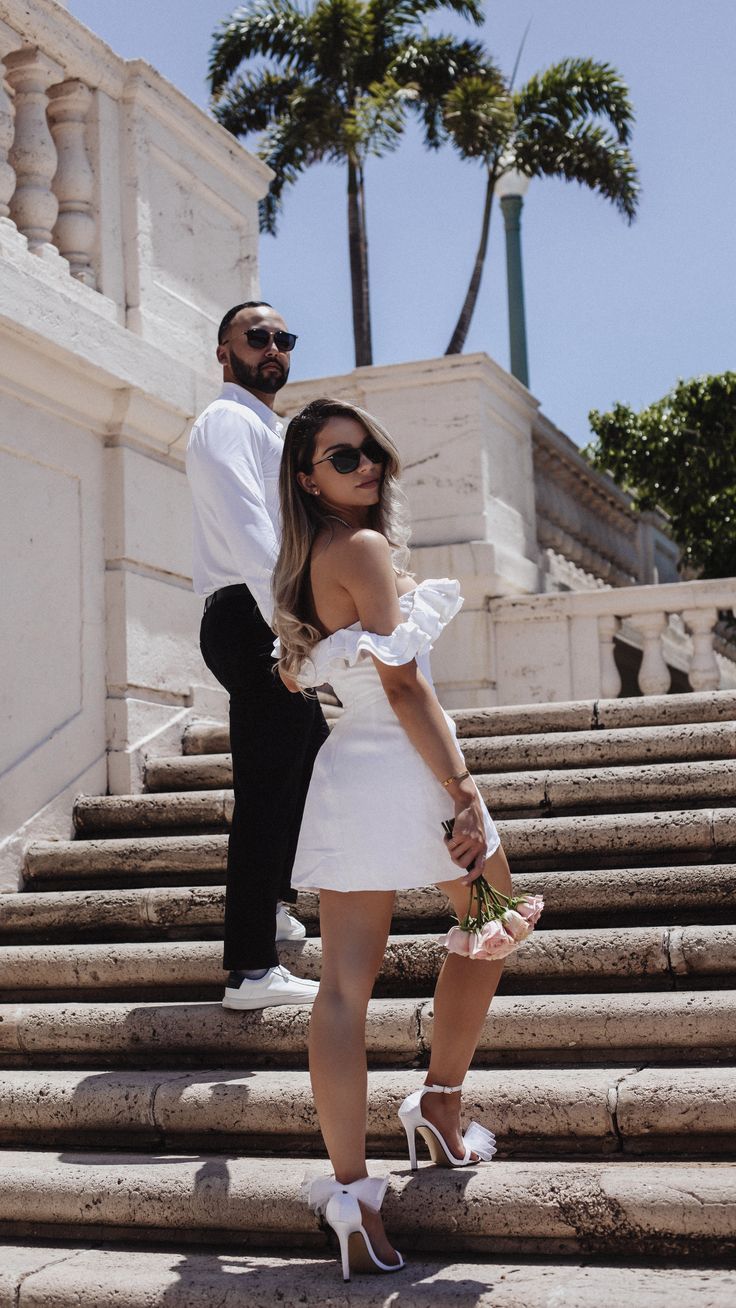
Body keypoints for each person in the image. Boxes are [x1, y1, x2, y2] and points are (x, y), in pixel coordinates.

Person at [271, 397, 513, 1281]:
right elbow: (407, 689)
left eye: (371, 451)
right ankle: (440, 1102)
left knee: (342, 987)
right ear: (308, 477)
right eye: (343, 458)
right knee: (492, 920)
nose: (366, 466)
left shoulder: (303, 566)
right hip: (410, 770)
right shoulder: (363, 550)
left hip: (348, 775)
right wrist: (463, 792)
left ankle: (352, 1196)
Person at [186, 302, 328, 1011]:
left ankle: (273, 904)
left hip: (268, 610)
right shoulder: (228, 421)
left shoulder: (268, 428)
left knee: (310, 755)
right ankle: (247, 968)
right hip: (252, 612)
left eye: (283, 339)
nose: (273, 348)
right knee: (270, 782)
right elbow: (250, 532)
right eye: (258, 337)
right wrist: (293, 622)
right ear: (224, 352)